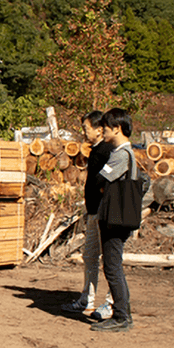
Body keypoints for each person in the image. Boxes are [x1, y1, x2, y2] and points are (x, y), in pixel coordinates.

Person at [90, 107, 140, 333]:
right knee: (113, 266)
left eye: (106, 128)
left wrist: (99, 182)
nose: (103, 132)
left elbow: (101, 178)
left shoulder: (121, 154)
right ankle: (122, 313)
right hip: (118, 217)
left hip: (114, 218)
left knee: (112, 267)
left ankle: (121, 316)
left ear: (117, 128)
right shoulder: (126, 153)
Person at [63, 111, 112, 319]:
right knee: (89, 256)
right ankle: (87, 299)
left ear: (99, 129)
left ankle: (111, 302)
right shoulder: (95, 151)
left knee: (110, 259)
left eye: (87, 128)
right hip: (93, 211)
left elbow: (106, 182)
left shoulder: (107, 152)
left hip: (103, 211)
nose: (84, 133)